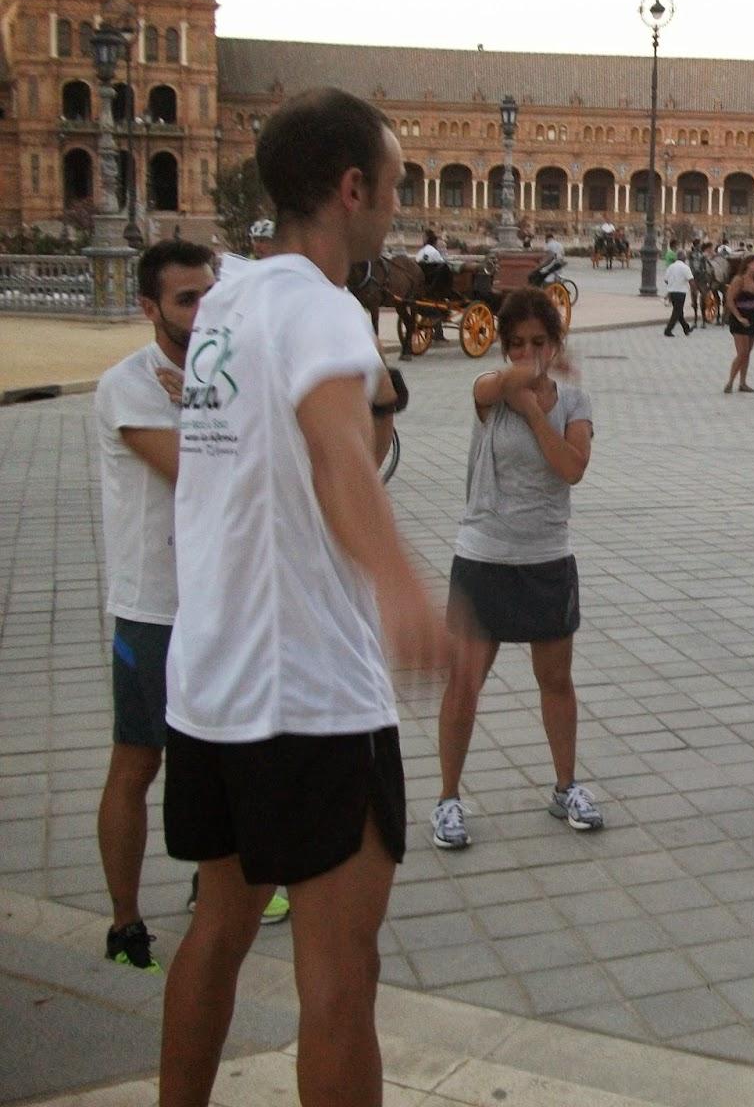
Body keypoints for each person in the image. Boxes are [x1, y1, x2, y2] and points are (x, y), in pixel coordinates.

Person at [159, 87, 449, 1107]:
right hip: (309, 697)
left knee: (217, 934)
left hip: (212, 684)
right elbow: (339, 459)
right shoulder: (321, 306)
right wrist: (406, 586)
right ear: (351, 188)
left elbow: (302, 452)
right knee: (339, 981)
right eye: (395, 186)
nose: (398, 208)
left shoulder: (228, 299)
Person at [93, 241, 237, 972]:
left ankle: (214, 891)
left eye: (210, 293)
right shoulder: (131, 386)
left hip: (220, 603)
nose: (204, 310)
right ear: (149, 307)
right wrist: (221, 414)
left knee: (216, 764)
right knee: (138, 761)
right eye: (187, 299)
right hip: (155, 608)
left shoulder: (219, 378)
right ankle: (124, 920)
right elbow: (199, 475)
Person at [431, 290, 599, 847]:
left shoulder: (574, 404)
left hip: (546, 556)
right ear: (504, 347)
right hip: (484, 555)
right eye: (517, 345)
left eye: (539, 343)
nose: (528, 354)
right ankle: (448, 799)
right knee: (464, 684)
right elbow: (491, 385)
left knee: (555, 680)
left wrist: (534, 407)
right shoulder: (490, 394)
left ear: (555, 344)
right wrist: (520, 390)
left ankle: (566, 786)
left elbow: (570, 468)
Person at [723, 254, 754, 393]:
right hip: (740, 318)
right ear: (747, 264)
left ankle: (743, 382)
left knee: (748, 352)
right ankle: (730, 382)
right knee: (742, 352)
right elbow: (729, 299)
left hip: (753, 318)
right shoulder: (739, 280)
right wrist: (739, 317)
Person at [661, 249, 694, 336]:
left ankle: (686, 328)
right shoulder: (685, 268)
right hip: (681, 292)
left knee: (679, 312)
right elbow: (691, 280)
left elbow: (666, 280)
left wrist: (672, 284)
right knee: (677, 312)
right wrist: (694, 290)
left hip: (672, 292)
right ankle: (668, 330)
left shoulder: (671, 266)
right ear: (684, 258)